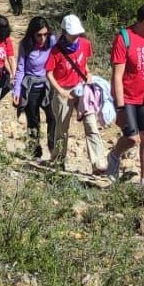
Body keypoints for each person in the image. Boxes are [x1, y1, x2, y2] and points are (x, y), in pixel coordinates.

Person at [105, 4, 144, 183]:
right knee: (132, 138)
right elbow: (117, 75)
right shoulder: (124, 39)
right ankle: (114, 155)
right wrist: (120, 107)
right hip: (128, 96)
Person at [48, 14, 108, 176]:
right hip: (63, 91)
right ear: (64, 32)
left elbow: (84, 65)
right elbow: (49, 73)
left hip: (82, 89)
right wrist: (60, 91)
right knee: (62, 128)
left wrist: (88, 75)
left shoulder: (85, 44)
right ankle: (59, 160)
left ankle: (98, 162)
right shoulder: (56, 51)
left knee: (91, 125)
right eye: (72, 33)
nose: (75, 36)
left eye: (77, 33)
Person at [14, 17, 58, 161]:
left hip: (47, 85)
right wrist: (17, 91)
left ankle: (53, 147)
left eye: (45, 34)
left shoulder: (52, 41)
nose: (42, 38)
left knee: (53, 117)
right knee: (33, 120)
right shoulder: (25, 45)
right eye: (39, 35)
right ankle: (35, 151)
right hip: (31, 86)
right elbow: (20, 69)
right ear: (33, 34)